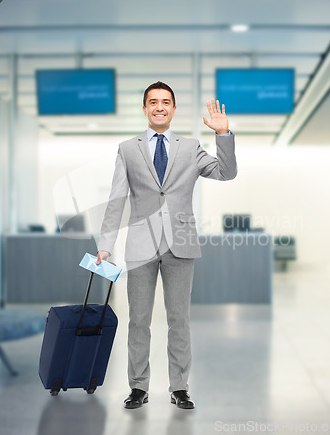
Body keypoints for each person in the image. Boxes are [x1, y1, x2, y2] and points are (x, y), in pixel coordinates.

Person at [96, 81, 237, 409]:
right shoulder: (128, 149)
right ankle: (138, 387)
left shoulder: (190, 148)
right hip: (140, 245)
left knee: (179, 319)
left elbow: (226, 173)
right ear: (144, 109)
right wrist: (106, 243)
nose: (160, 107)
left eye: (166, 102)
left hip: (181, 243)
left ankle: (180, 387)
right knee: (138, 320)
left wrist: (223, 136)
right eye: (153, 102)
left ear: (173, 109)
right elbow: (117, 197)